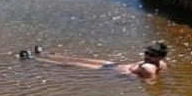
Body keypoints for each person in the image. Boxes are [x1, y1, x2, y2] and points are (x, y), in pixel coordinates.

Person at [32, 41, 169, 79]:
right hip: (113, 65)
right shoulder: (162, 63)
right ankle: (47, 54)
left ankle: (36, 59)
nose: (147, 56)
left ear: (160, 57)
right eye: (146, 52)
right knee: (80, 59)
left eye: (151, 55)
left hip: (113, 71)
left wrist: (128, 77)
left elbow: (150, 84)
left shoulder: (148, 68)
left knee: (74, 64)